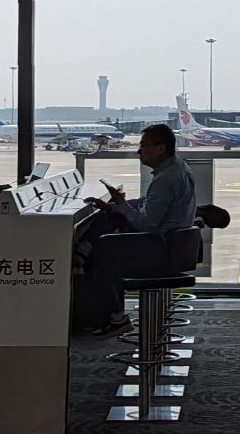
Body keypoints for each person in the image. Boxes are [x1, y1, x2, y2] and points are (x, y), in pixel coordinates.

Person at [80, 123, 196, 333]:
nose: (139, 151)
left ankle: (114, 318)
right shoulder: (178, 168)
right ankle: (85, 249)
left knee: (99, 257)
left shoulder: (165, 179)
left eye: (143, 146)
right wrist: (116, 206)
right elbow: (148, 204)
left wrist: (122, 207)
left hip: (158, 250)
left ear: (161, 148)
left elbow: (147, 224)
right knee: (111, 220)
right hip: (174, 247)